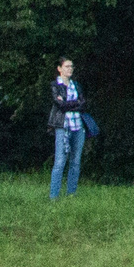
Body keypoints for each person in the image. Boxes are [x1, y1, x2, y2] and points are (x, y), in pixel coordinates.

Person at [47, 58, 86, 199]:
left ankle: (71, 193)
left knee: (75, 161)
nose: (70, 69)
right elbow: (60, 105)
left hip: (78, 126)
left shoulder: (76, 85)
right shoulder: (55, 85)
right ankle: (53, 196)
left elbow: (83, 104)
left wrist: (69, 103)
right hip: (62, 126)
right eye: (67, 66)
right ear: (59, 68)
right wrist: (75, 103)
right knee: (60, 161)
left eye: (72, 66)